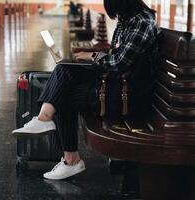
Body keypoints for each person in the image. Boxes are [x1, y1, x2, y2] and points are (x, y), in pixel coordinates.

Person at [12, 0, 159, 180]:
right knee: (65, 69)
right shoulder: (129, 18)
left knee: (63, 96)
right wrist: (90, 57)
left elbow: (120, 63)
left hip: (129, 94)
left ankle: (70, 159)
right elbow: (118, 54)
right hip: (120, 84)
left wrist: (94, 56)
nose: (114, 12)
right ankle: (45, 120)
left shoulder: (142, 22)